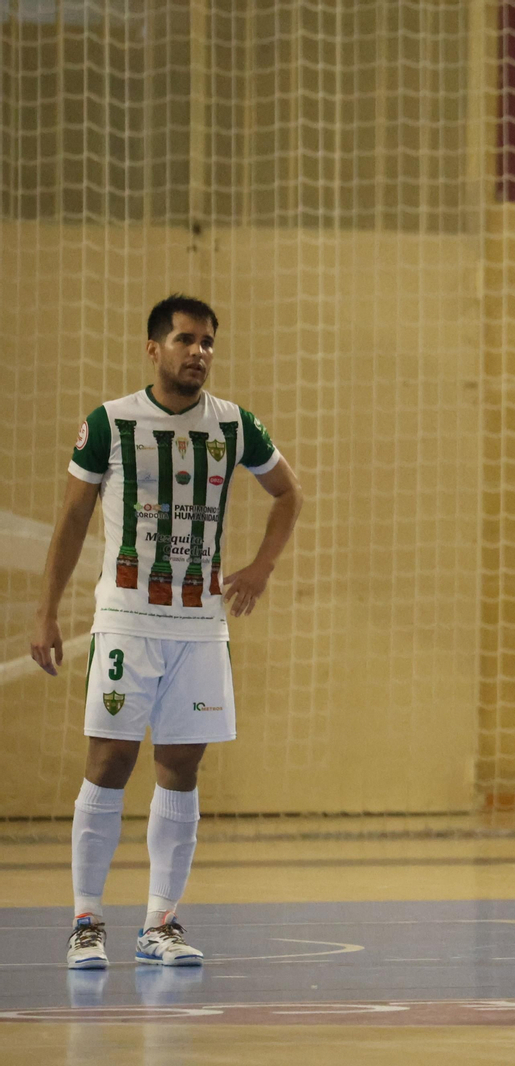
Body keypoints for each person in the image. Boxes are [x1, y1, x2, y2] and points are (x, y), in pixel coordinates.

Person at [29, 295, 304, 970]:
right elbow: (69, 523)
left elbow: (288, 493)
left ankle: (162, 922)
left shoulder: (236, 426)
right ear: (154, 349)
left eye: (208, 342)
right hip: (126, 621)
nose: (199, 352)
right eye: (186, 340)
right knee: (109, 762)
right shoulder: (110, 423)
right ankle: (87, 919)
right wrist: (46, 611)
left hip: (200, 628)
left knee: (181, 767)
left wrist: (262, 567)